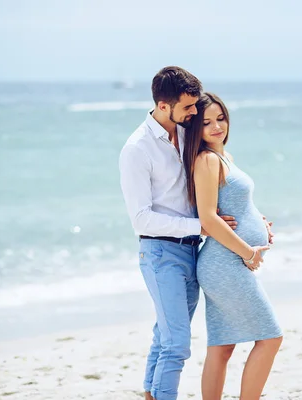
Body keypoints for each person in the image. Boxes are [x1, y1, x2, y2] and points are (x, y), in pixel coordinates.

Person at [118, 66, 238, 400]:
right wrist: (199, 225)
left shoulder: (187, 134)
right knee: (177, 345)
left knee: (165, 335)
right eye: (187, 107)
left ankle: (151, 393)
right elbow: (141, 219)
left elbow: (211, 186)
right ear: (163, 105)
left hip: (191, 252)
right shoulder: (137, 149)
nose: (194, 113)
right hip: (160, 254)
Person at [183, 92, 283, 400]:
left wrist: (258, 221)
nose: (216, 127)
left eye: (220, 118)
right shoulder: (207, 159)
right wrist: (249, 251)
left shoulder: (224, 156)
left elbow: (235, 204)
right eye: (206, 122)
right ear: (195, 128)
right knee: (271, 337)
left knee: (223, 345)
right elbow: (209, 219)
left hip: (226, 262)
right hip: (223, 264)